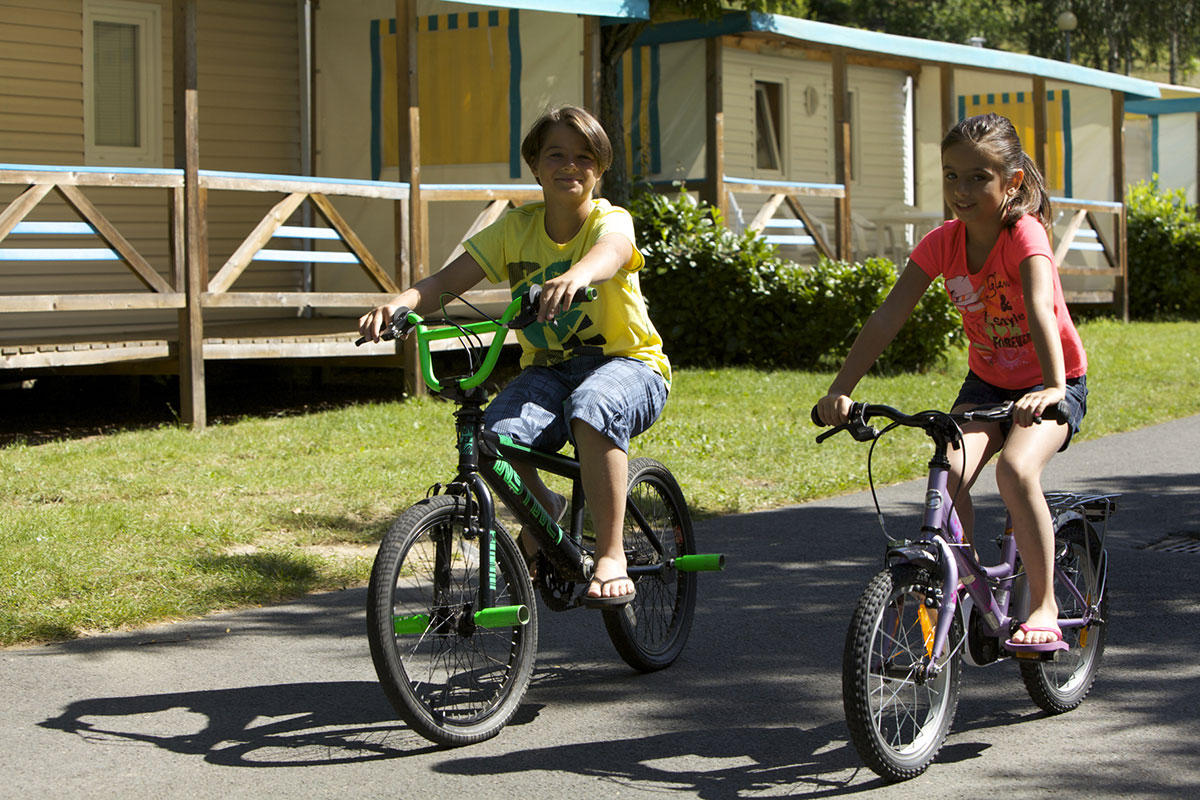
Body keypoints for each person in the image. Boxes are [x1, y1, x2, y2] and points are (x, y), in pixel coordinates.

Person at [358, 104, 670, 607]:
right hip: (550, 371)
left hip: (630, 365)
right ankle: (546, 504)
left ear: (600, 168)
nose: (570, 165)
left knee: (593, 406)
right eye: (556, 155)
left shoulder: (609, 219)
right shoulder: (513, 229)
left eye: (584, 156)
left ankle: (612, 553)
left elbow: (612, 251)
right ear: (534, 164)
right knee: (490, 439)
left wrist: (578, 275)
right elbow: (443, 283)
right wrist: (401, 303)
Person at [815, 113, 1088, 652]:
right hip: (988, 385)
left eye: (979, 178)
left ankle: (1044, 604)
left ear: (1011, 182)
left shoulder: (1024, 234)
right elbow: (887, 318)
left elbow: (1039, 307)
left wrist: (1054, 386)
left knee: (1015, 469)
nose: (962, 191)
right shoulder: (943, 243)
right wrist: (839, 389)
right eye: (951, 176)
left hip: (1052, 381)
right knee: (950, 471)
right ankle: (968, 582)